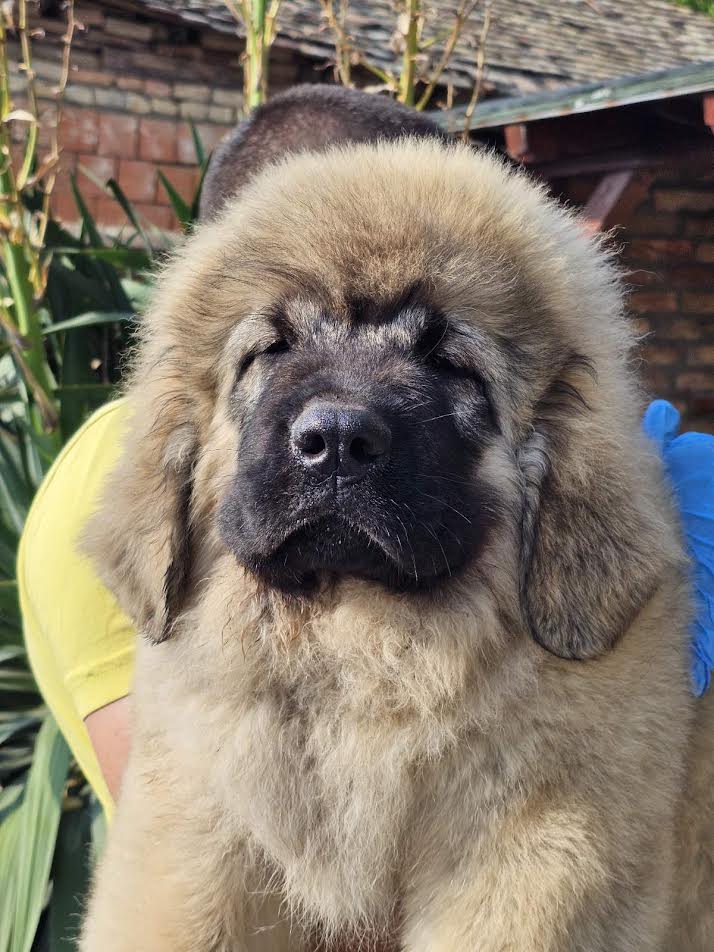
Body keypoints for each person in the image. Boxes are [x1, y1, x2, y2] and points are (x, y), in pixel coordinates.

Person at [18, 393, 713, 819]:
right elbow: (194, 827)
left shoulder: (644, 475)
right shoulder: (122, 463)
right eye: (281, 345)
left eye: (439, 354)